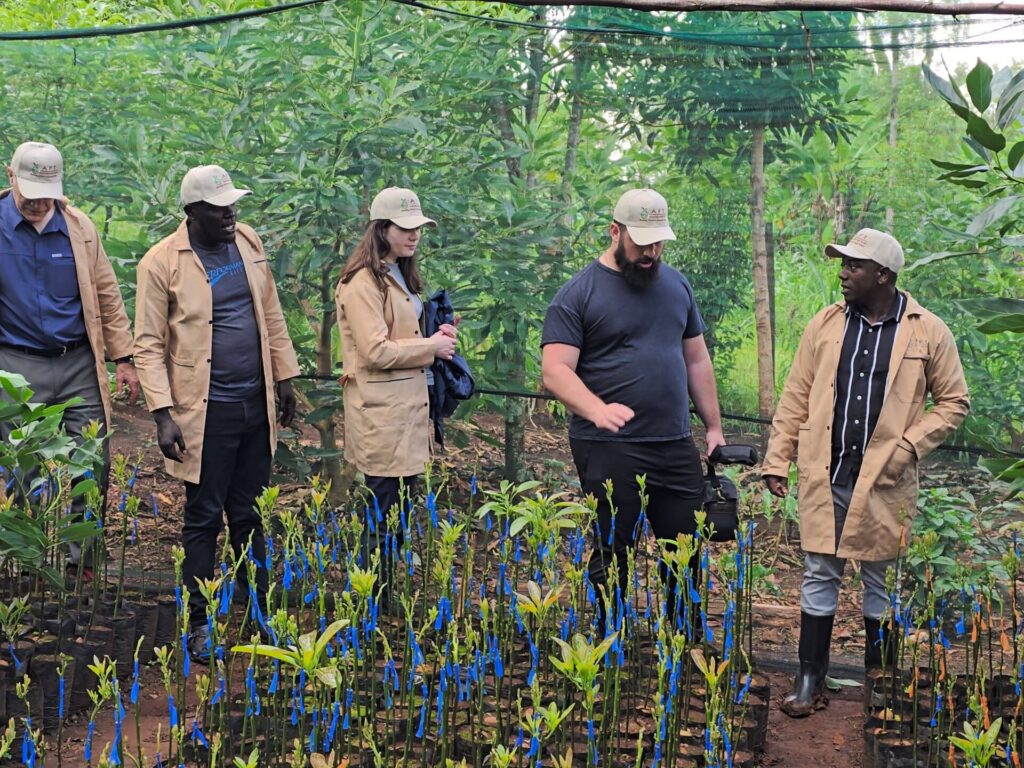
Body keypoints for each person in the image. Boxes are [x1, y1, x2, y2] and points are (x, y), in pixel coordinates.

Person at [762, 228, 969, 718]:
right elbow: (796, 394)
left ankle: (882, 686)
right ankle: (810, 677)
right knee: (819, 572)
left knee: (878, 580)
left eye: (854, 265)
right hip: (826, 470)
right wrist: (778, 458)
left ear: (883, 274)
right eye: (842, 263)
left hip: (884, 480)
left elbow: (954, 402)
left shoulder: (927, 331)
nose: (843, 273)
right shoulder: (826, 324)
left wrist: (907, 447)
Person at [541, 188, 725, 636]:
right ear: (615, 231)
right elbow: (555, 371)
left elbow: (696, 360)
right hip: (607, 445)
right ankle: (610, 639)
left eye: (658, 242)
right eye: (641, 242)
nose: (651, 251)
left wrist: (714, 427)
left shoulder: (677, 285)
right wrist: (597, 409)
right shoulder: (578, 294)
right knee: (613, 547)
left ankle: (687, 638)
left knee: (684, 546)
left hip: (672, 442)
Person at [134, 165, 300, 661]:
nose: (230, 215)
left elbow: (269, 312)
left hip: (255, 402)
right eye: (219, 208)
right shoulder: (161, 262)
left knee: (251, 515)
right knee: (204, 518)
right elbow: (147, 346)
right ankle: (201, 625)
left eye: (233, 206)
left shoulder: (246, 241)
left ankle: (260, 615)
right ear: (192, 213)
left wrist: (285, 378)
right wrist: (162, 414)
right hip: (203, 411)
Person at [0, 141, 139, 572]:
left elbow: (107, 295)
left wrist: (125, 359)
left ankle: (86, 562)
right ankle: (24, 563)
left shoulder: (79, 228)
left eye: (47, 192)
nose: (39, 202)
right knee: (20, 466)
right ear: (10, 177)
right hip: (16, 363)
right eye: (29, 192)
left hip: (79, 363)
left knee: (92, 461)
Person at [335, 187, 456, 592]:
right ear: (380, 229)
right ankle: (369, 605)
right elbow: (374, 350)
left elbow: (400, 333)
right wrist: (431, 347)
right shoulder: (361, 282)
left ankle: (383, 602)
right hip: (382, 416)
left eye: (418, 228)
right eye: (405, 228)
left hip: (406, 413)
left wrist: (434, 334)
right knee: (380, 516)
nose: (414, 235)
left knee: (398, 514)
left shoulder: (397, 273)